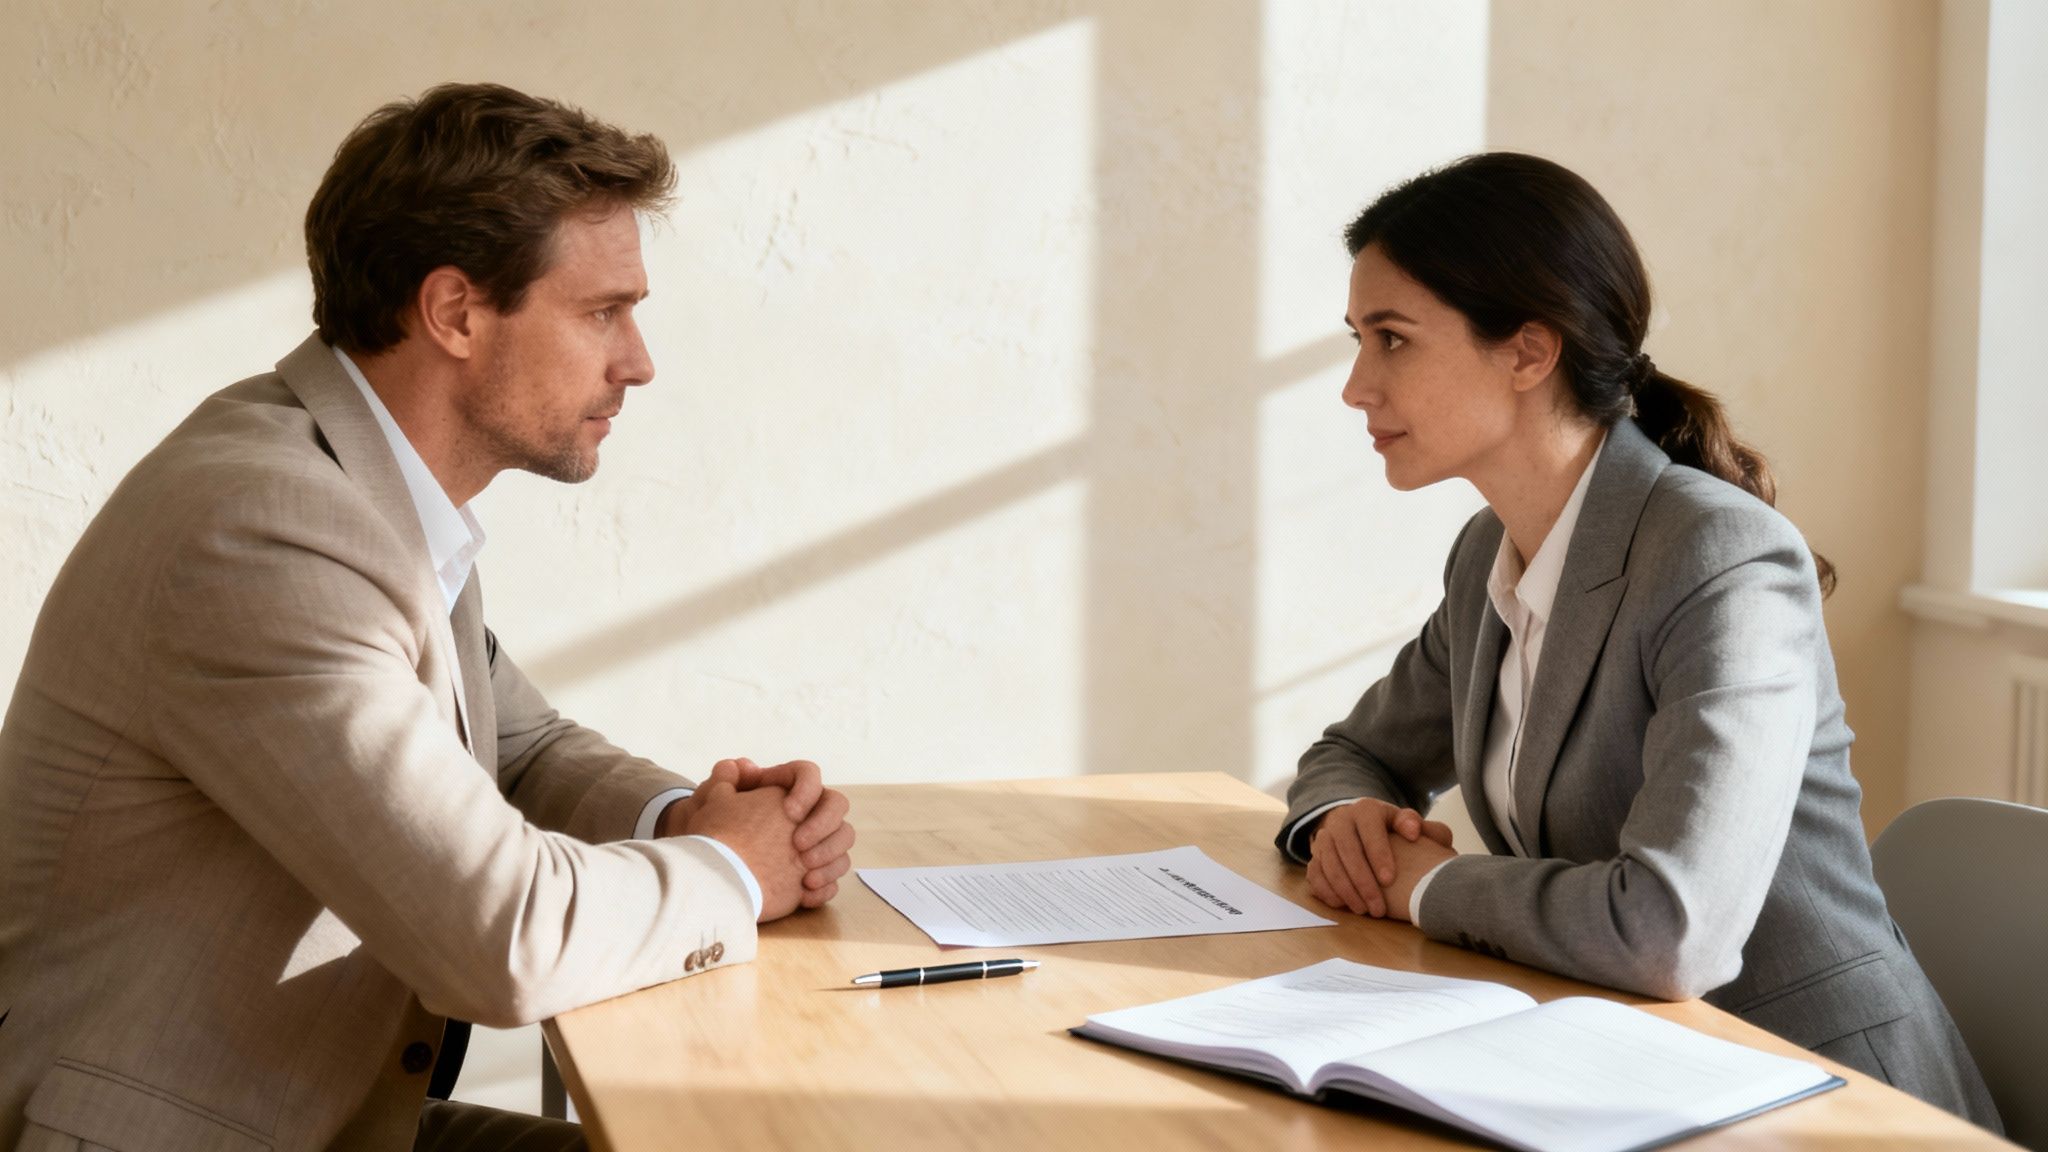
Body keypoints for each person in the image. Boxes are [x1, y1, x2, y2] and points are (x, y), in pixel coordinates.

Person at [0, 83, 854, 1150]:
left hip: (327, 1115)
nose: (636, 361)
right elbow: (502, 938)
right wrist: (735, 872)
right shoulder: (262, 528)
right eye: (601, 311)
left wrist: (683, 819)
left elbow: (519, 745)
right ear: (453, 312)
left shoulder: (361, 485)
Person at [1275, 152, 2000, 1130]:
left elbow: (1671, 932)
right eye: (1358, 340)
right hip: (1623, 1070)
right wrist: (1345, 818)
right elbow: (1350, 752)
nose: (1356, 386)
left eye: (1391, 340)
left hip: (1819, 1096)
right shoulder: (1489, 550)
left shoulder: (1722, 558)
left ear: (1528, 352)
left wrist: (1425, 885)